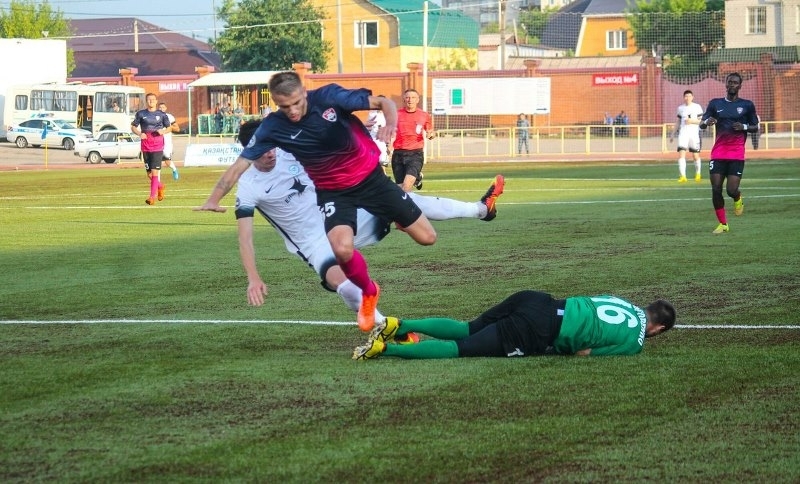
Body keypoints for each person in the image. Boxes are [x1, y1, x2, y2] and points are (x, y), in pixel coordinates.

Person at [197, 72, 501, 333]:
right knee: (342, 278)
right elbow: (244, 234)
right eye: (284, 107)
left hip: (358, 195)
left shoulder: (315, 114)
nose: (270, 154)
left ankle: (479, 209)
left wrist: (387, 126)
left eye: (296, 103)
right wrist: (215, 203)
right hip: (316, 237)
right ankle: (387, 328)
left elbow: (379, 104)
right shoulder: (252, 179)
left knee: (423, 228)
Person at [353, 291, 675, 360]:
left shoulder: (622, 302)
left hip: (536, 300)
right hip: (537, 329)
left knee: (467, 329)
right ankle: (384, 349)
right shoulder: (635, 342)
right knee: (460, 349)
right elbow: (584, 353)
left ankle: (398, 324)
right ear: (658, 329)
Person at [699, 72, 759, 235]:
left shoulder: (747, 105)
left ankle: (737, 198)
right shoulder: (715, 103)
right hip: (718, 153)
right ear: (726, 84)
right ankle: (723, 224)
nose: (732, 84)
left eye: (735, 82)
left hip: (736, 154)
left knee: (731, 190)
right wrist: (707, 122)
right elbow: (701, 124)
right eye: (729, 82)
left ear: (740, 86)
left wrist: (744, 127)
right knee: (716, 189)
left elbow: (755, 127)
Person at [391, 89, 435, 191]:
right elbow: (390, 131)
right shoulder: (396, 114)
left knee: (406, 185)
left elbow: (431, 131)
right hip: (398, 154)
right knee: (400, 190)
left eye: (413, 97)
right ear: (404, 99)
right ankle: (417, 178)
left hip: (415, 154)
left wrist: (431, 135)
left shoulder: (424, 115)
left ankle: (415, 178)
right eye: (407, 97)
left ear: (417, 100)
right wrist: (388, 145)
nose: (410, 100)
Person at [131, 93, 171, 205]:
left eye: (153, 99)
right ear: (146, 101)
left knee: (154, 172)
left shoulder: (162, 115)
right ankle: (160, 186)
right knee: (149, 174)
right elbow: (133, 126)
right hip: (145, 146)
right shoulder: (141, 114)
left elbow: (169, 128)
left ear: (156, 101)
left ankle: (152, 197)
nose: (151, 101)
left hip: (157, 146)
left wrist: (163, 131)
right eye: (149, 99)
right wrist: (140, 133)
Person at [670, 90, 704, 183]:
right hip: (683, 134)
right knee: (681, 154)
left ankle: (698, 174)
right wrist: (673, 133)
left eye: (689, 96)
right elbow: (678, 121)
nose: (687, 98)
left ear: (692, 97)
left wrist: (692, 121)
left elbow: (701, 121)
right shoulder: (680, 108)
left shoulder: (697, 107)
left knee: (695, 156)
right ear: (683, 97)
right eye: (686, 96)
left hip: (694, 134)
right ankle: (683, 176)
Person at [157, 102, 180, 181]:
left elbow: (177, 129)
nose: (161, 109)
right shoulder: (155, 117)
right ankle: (158, 181)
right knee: (157, 162)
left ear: (166, 108)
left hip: (167, 142)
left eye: (163, 107)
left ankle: (174, 169)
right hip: (157, 142)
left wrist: (168, 127)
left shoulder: (169, 117)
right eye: (160, 107)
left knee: (167, 161)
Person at [365, 96, 389, 166]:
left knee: (382, 160)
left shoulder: (387, 114)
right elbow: (368, 126)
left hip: (382, 140)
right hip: (373, 138)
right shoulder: (372, 114)